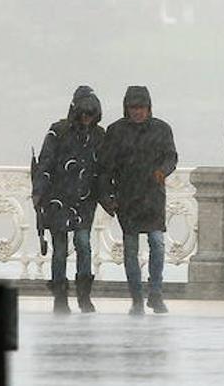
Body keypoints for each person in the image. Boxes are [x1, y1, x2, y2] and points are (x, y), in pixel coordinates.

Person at [102, 85, 178, 315]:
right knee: (130, 249)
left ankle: (155, 293)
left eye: (141, 107)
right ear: (126, 108)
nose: (137, 112)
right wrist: (107, 197)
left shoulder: (162, 129)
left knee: (157, 243)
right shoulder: (115, 131)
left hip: (153, 196)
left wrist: (163, 171)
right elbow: (105, 167)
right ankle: (136, 298)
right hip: (127, 198)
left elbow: (171, 156)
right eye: (133, 108)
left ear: (149, 108)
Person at [33, 85, 108, 314]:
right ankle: (60, 297)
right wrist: (39, 191)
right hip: (57, 197)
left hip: (85, 199)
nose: (86, 118)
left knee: (84, 245)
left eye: (91, 113)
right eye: (83, 113)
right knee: (60, 248)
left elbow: (104, 169)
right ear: (75, 110)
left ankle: (84, 296)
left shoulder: (99, 135)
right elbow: (45, 163)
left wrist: (107, 195)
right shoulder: (58, 131)